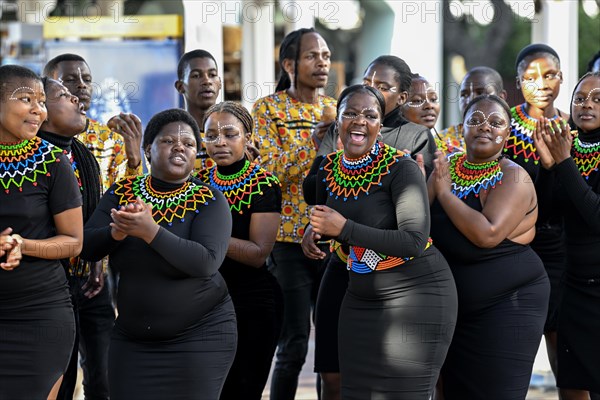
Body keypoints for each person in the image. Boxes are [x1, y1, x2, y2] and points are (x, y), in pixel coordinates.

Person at [307, 84, 457, 399]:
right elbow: (328, 220)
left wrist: (344, 228)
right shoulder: (327, 169)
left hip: (415, 295)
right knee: (356, 392)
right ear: (338, 122)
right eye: (350, 113)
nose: (359, 121)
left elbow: (413, 241)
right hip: (360, 294)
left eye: (370, 115)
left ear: (379, 125)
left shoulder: (401, 168)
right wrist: (316, 231)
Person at [80, 108, 236, 399]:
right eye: (168, 141)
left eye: (189, 144)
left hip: (200, 335)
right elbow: (86, 245)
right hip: (133, 340)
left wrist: (150, 231)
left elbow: (205, 262)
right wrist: (117, 231)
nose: (180, 147)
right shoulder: (123, 192)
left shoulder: (209, 199)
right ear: (148, 149)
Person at [428, 94, 549, 399]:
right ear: (462, 127)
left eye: (496, 122)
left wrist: (444, 195)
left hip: (509, 304)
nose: (485, 127)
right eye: (476, 120)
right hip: (453, 306)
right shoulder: (447, 166)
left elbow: (487, 234)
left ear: (507, 134)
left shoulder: (513, 176)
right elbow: (415, 222)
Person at [43, 53, 142, 400]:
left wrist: (133, 160)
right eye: (70, 81)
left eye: (86, 79)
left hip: (93, 272)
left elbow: (121, 198)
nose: (81, 88)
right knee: (58, 375)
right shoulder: (31, 149)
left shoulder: (106, 138)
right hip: (48, 276)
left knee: (103, 370)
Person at [251, 27, 336, 400]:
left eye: (326, 56)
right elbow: (268, 170)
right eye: (312, 56)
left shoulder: (335, 106)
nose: (322, 63)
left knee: (332, 347)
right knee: (294, 343)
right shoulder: (268, 109)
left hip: (332, 239)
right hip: (286, 242)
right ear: (289, 64)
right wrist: (314, 144)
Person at [0, 65, 83, 399]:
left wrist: (23, 244)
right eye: (25, 99)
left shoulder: (53, 162)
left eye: (41, 101)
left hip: (39, 317)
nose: (38, 109)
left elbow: (74, 241)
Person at [197, 101, 283, 400]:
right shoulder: (199, 184)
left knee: (243, 389)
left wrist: (209, 237)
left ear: (248, 137)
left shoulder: (263, 185)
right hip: (206, 301)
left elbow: (258, 253)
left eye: (230, 134)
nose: (219, 141)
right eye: (211, 135)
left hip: (252, 303)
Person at [533, 71, 600, 399]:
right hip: (572, 286)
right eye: (580, 98)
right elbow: (545, 214)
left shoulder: (566, 152)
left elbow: (596, 218)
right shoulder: (566, 144)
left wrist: (564, 162)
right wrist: (547, 167)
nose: (586, 104)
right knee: (571, 383)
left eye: (597, 99)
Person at [504, 43, 569, 379]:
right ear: (518, 82)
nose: (541, 83)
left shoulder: (573, 128)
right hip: (511, 244)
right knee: (515, 340)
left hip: (560, 247)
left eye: (550, 75)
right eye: (531, 77)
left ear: (561, 78)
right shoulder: (503, 126)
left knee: (559, 338)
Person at [318, 55, 437, 174]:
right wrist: (339, 161)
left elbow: (424, 188)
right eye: (366, 83)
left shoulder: (417, 137)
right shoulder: (341, 126)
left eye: (382, 88)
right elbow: (312, 185)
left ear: (401, 98)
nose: (370, 91)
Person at [438, 66, 507, 155]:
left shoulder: (517, 138)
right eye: (464, 95)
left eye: (480, 93)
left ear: (501, 97)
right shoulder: (440, 142)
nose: (470, 100)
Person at [174, 49, 222, 171]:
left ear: (220, 83)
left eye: (212, 75)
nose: (207, 81)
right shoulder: (172, 135)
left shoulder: (235, 132)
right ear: (180, 86)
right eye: (196, 75)